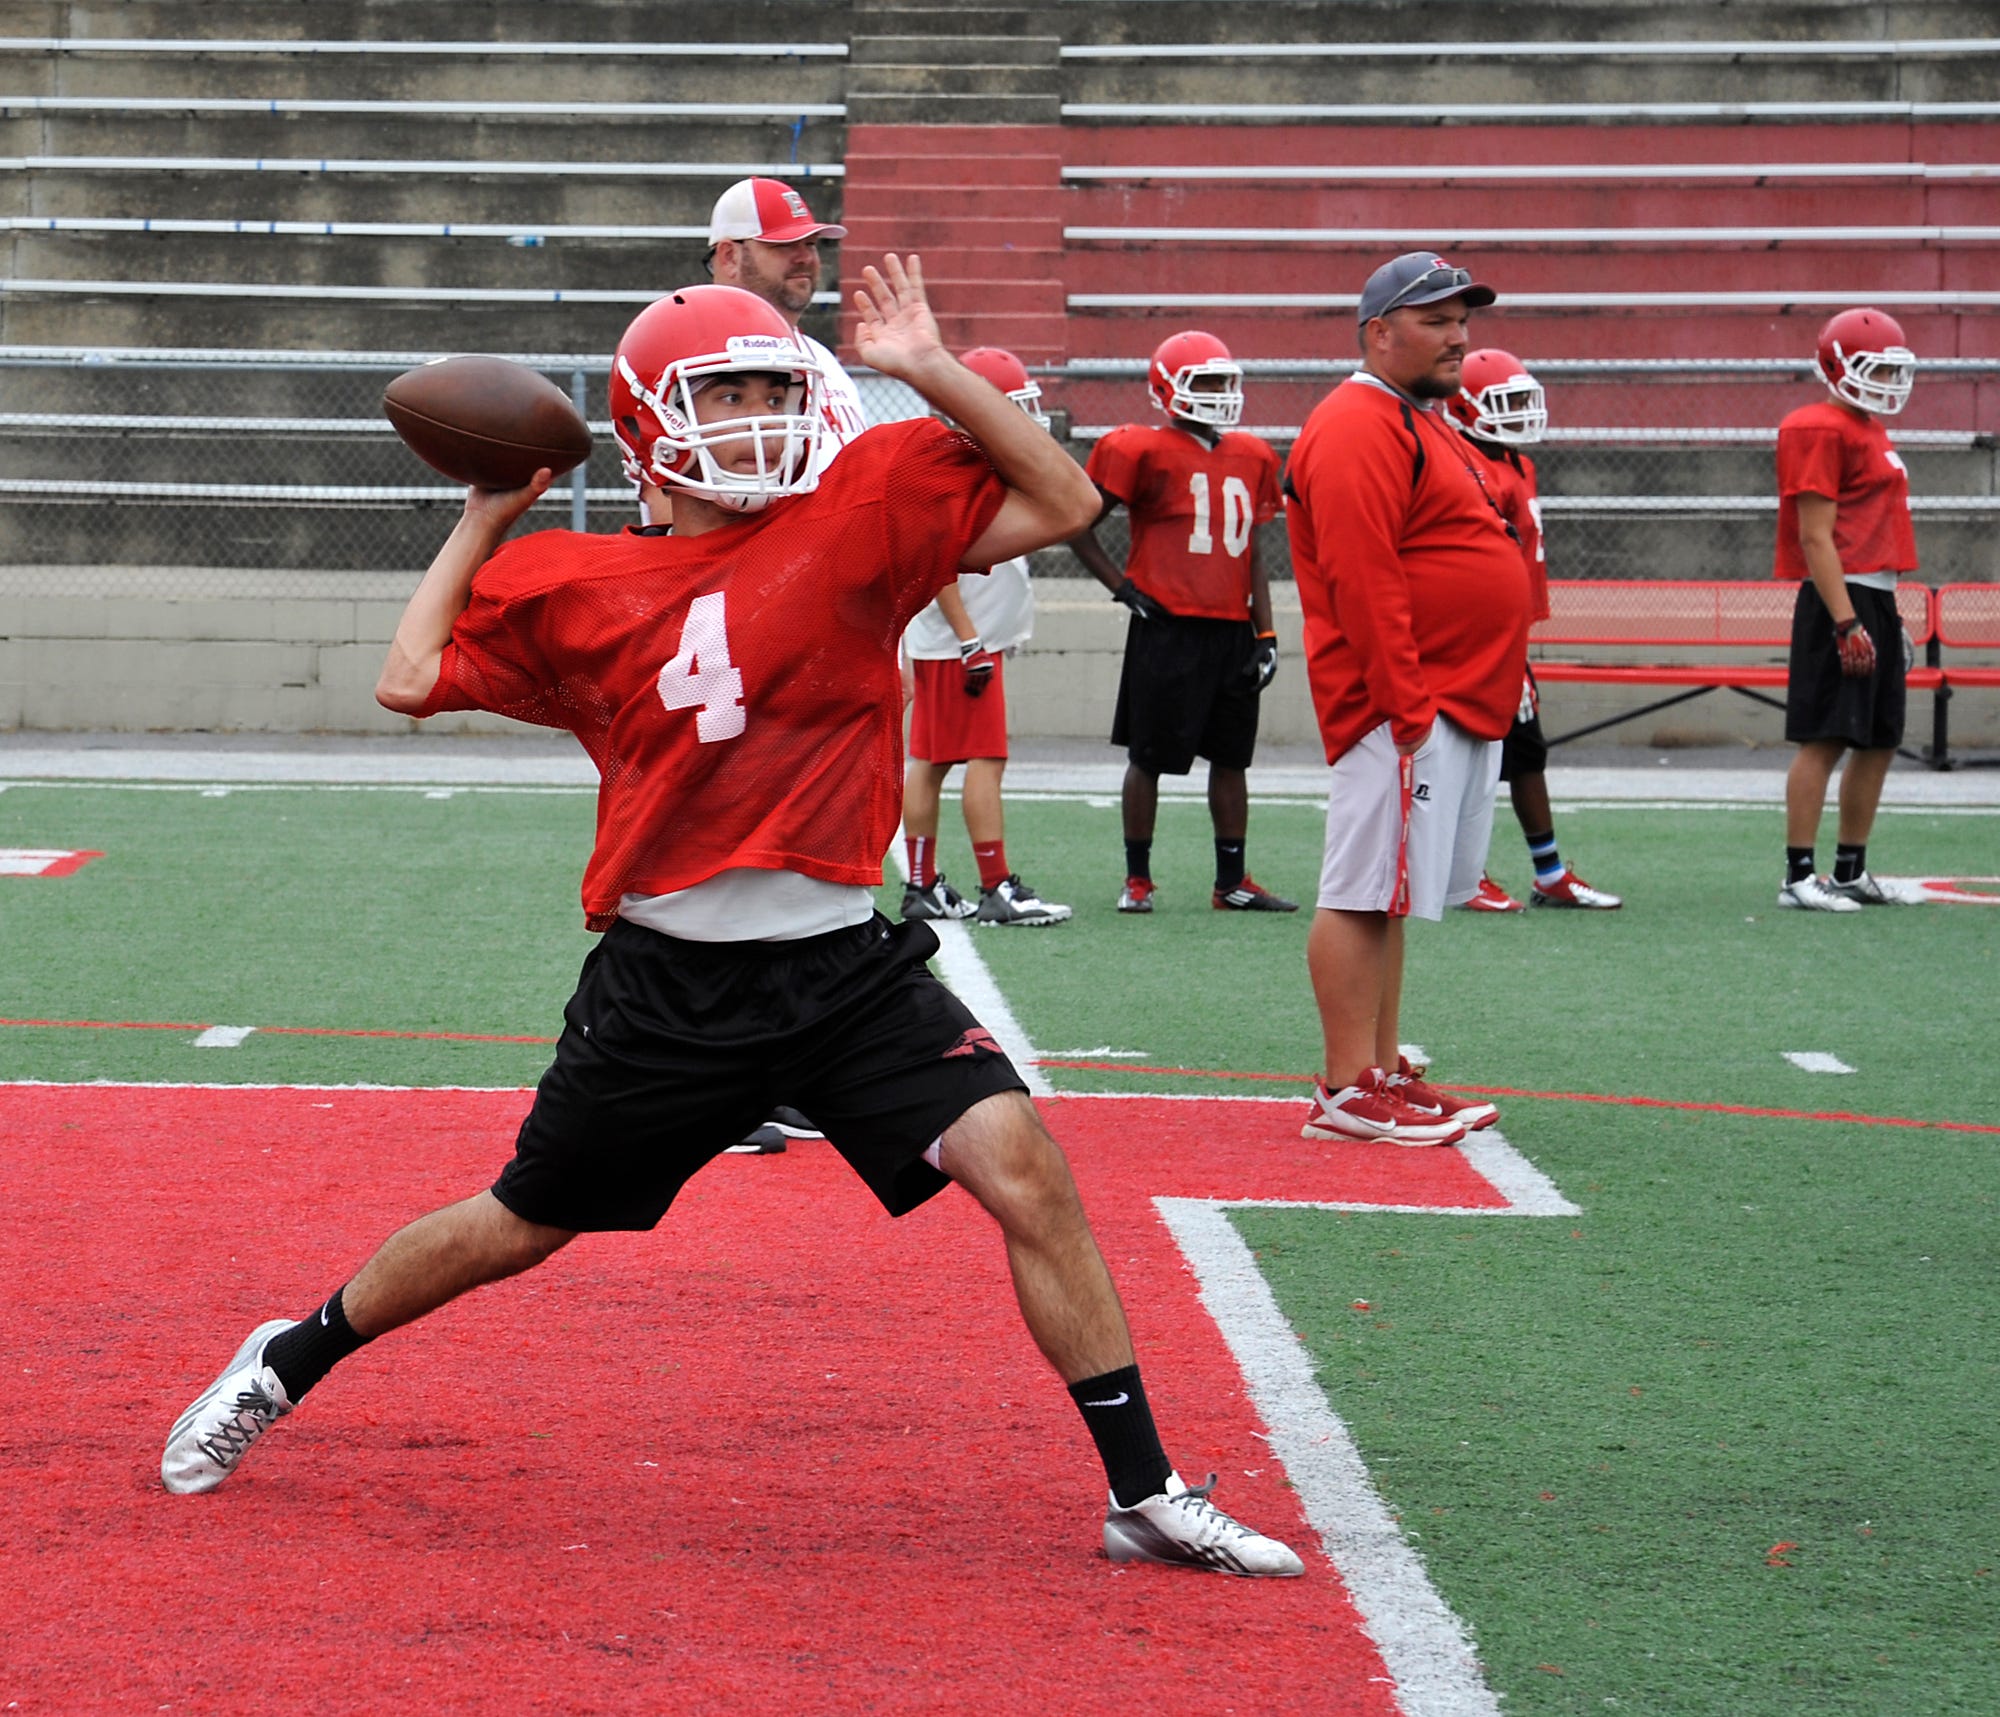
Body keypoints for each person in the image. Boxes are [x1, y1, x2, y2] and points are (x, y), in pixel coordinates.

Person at [159, 263, 1303, 1580]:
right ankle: (286, 1356)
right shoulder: (577, 583)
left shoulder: (862, 508)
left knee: (1027, 1169)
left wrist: (927, 363)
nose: (759, 412)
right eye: (725, 391)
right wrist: (482, 517)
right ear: (649, 422)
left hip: (842, 971)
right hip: (668, 988)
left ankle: (1142, 1489)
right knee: (520, 1223)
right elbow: (406, 675)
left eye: (772, 385)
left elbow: (1063, 497)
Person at [1284, 252, 1528, 1145]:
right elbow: (1363, 573)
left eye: (1463, 319)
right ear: (1378, 332)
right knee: (1359, 891)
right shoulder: (1358, 421)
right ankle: (1348, 1086)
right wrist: (1404, 699)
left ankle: (1377, 1068)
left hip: (1443, 697)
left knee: (1389, 894)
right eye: (1435, 319)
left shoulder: (1412, 419)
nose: (1459, 334)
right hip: (1402, 702)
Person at [707, 175, 864, 1148]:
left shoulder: (813, 360)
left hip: (828, 642)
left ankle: (781, 1065)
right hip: (748, 633)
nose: (807, 259)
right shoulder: (700, 348)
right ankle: (716, 1080)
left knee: (808, 870)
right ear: (728, 254)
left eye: (812, 244)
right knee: (729, 864)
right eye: (784, 245)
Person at [1066, 330, 1294, 916]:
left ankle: (1232, 881)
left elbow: (1255, 554)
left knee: (1232, 758)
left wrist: (1266, 633)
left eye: (1225, 382)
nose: (1220, 394)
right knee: (1149, 756)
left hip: (1231, 630)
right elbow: (1076, 520)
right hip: (1167, 626)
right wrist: (1121, 588)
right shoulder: (1137, 447)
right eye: (1206, 383)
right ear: (1167, 390)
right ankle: (1137, 878)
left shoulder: (1255, 454)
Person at [1444, 348, 1622, 913]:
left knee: (1525, 754)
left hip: (1508, 638)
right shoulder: (1464, 468)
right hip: (1473, 640)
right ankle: (1455, 875)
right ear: (1465, 406)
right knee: (1464, 758)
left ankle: (1547, 873)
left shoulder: (1520, 464)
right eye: (1509, 402)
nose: (1522, 412)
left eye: (1524, 400)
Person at [901, 346, 1071, 928]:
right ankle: (996, 885)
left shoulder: (960, 466)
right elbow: (939, 563)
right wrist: (971, 640)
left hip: (948, 640)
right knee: (983, 758)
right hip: (958, 644)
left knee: (931, 760)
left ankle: (922, 885)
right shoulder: (958, 474)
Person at [1775, 307, 1920, 912]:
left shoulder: (1866, 427)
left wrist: (1890, 615)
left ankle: (1850, 869)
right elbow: (1816, 537)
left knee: (1879, 739)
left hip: (1875, 595)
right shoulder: (1818, 426)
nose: (1886, 381)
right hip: (1844, 596)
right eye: (1875, 368)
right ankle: (1799, 876)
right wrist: (1846, 619)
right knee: (1827, 738)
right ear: (1836, 366)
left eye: (1892, 369)